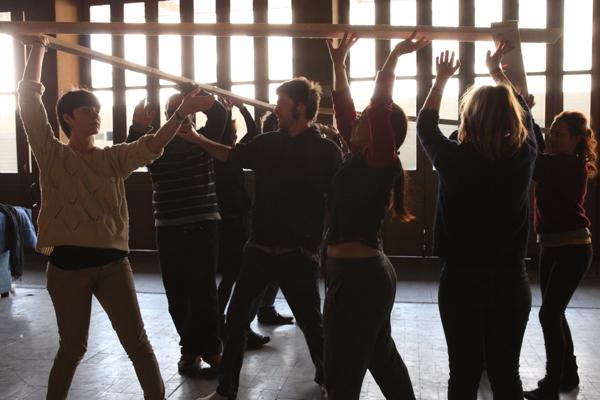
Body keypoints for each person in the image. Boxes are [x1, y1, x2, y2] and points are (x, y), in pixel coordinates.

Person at [17, 35, 214, 400]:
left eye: (97, 110)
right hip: (66, 269)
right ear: (68, 118)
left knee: (138, 344)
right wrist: (38, 48)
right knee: (72, 348)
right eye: (88, 111)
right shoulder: (52, 155)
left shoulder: (112, 158)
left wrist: (181, 113)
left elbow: (153, 145)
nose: (96, 115)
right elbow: (29, 101)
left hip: (112, 265)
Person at [193, 77, 342, 400]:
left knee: (311, 323)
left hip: (298, 253)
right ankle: (226, 390)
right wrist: (195, 137)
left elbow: (337, 202)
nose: (275, 108)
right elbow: (231, 155)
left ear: (300, 108)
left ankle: (329, 381)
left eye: (281, 103)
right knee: (236, 319)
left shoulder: (326, 151)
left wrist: (325, 249)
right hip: (259, 249)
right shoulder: (268, 143)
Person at [416, 42, 537, 399]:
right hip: (510, 280)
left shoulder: (454, 160)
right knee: (506, 375)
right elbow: (527, 117)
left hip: (461, 281)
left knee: (463, 375)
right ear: (511, 119)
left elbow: (425, 126)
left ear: (468, 118)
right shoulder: (524, 158)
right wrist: (497, 73)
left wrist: (441, 79)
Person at [323, 31, 428, 399]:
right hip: (355, 276)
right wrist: (338, 63)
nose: (355, 122)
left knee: (341, 375)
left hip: (360, 280)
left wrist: (395, 55)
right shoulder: (358, 156)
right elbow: (343, 108)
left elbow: (380, 104)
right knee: (381, 359)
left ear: (382, 132)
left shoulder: (381, 160)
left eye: (364, 119)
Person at [126, 85, 226, 375]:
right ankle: (190, 349)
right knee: (177, 293)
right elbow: (132, 151)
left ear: (193, 114)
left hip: (203, 223)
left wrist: (191, 91)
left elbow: (219, 114)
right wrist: (136, 125)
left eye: (187, 110)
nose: (182, 116)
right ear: (169, 115)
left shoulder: (202, 139)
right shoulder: (156, 145)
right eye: (175, 110)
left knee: (204, 291)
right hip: (169, 226)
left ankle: (211, 349)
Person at [523, 110, 597, 400]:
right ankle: (569, 375)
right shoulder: (556, 161)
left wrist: (524, 113)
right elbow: (538, 151)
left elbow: (534, 156)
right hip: (552, 246)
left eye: (560, 134)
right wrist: (527, 115)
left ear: (577, 139)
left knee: (549, 314)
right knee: (555, 313)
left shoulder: (569, 165)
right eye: (551, 132)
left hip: (574, 248)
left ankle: (551, 385)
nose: (553, 137)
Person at [213, 97, 272, 348]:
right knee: (234, 278)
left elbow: (253, 135)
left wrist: (240, 109)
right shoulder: (222, 157)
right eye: (233, 134)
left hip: (236, 221)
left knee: (232, 278)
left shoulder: (230, 155)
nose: (236, 138)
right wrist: (234, 110)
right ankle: (230, 326)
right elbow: (253, 135)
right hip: (231, 224)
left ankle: (223, 325)